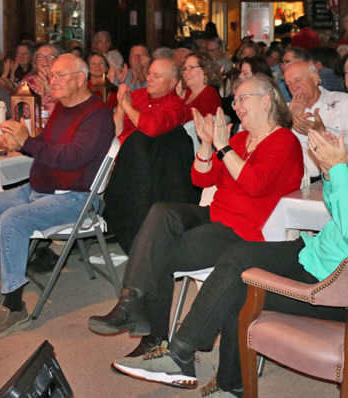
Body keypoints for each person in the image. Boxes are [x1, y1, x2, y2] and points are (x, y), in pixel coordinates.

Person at [109, 90, 348, 396]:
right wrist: (330, 169)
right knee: (237, 258)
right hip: (324, 259)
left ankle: (191, 362)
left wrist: (337, 171)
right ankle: (201, 367)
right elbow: (341, 210)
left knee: (238, 287)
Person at [88, 75, 304, 356]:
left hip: (245, 231)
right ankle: (130, 303)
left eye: (243, 98)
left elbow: (255, 184)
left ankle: (151, 336)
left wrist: (223, 147)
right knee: (162, 212)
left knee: (158, 253)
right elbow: (201, 178)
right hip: (215, 214)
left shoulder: (284, 141)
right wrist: (206, 144)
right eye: (235, 99)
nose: (236, 105)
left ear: (266, 100)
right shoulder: (239, 139)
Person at [0, 54, 115, 339]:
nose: (53, 81)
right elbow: (44, 145)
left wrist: (27, 142)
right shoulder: (62, 108)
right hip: (37, 191)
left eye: (60, 76)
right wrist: (16, 144)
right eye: (52, 76)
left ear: (81, 79)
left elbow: (73, 158)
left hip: (74, 198)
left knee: (13, 220)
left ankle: (14, 305)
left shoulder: (97, 114)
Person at [284, 61, 348, 178]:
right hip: (301, 181)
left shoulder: (342, 101)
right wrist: (289, 121)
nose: (294, 87)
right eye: (289, 84)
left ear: (314, 79)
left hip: (342, 177)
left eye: (298, 80)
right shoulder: (286, 111)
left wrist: (323, 131)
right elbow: (275, 151)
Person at [115, 58, 187, 144]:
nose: (149, 79)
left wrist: (128, 108)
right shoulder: (137, 95)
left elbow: (152, 128)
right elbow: (113, 131)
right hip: (117, 148)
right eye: (149, 73)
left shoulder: (177, 106)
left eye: (156, 76)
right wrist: (121, 107)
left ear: (172, 82)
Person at [179, 53, 221, 120]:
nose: (186, 73)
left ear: (205, 70)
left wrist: (178, 102)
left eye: (192, 67)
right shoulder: (186, 93)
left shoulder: (209, 99)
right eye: (185, 69)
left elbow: (182, 123)